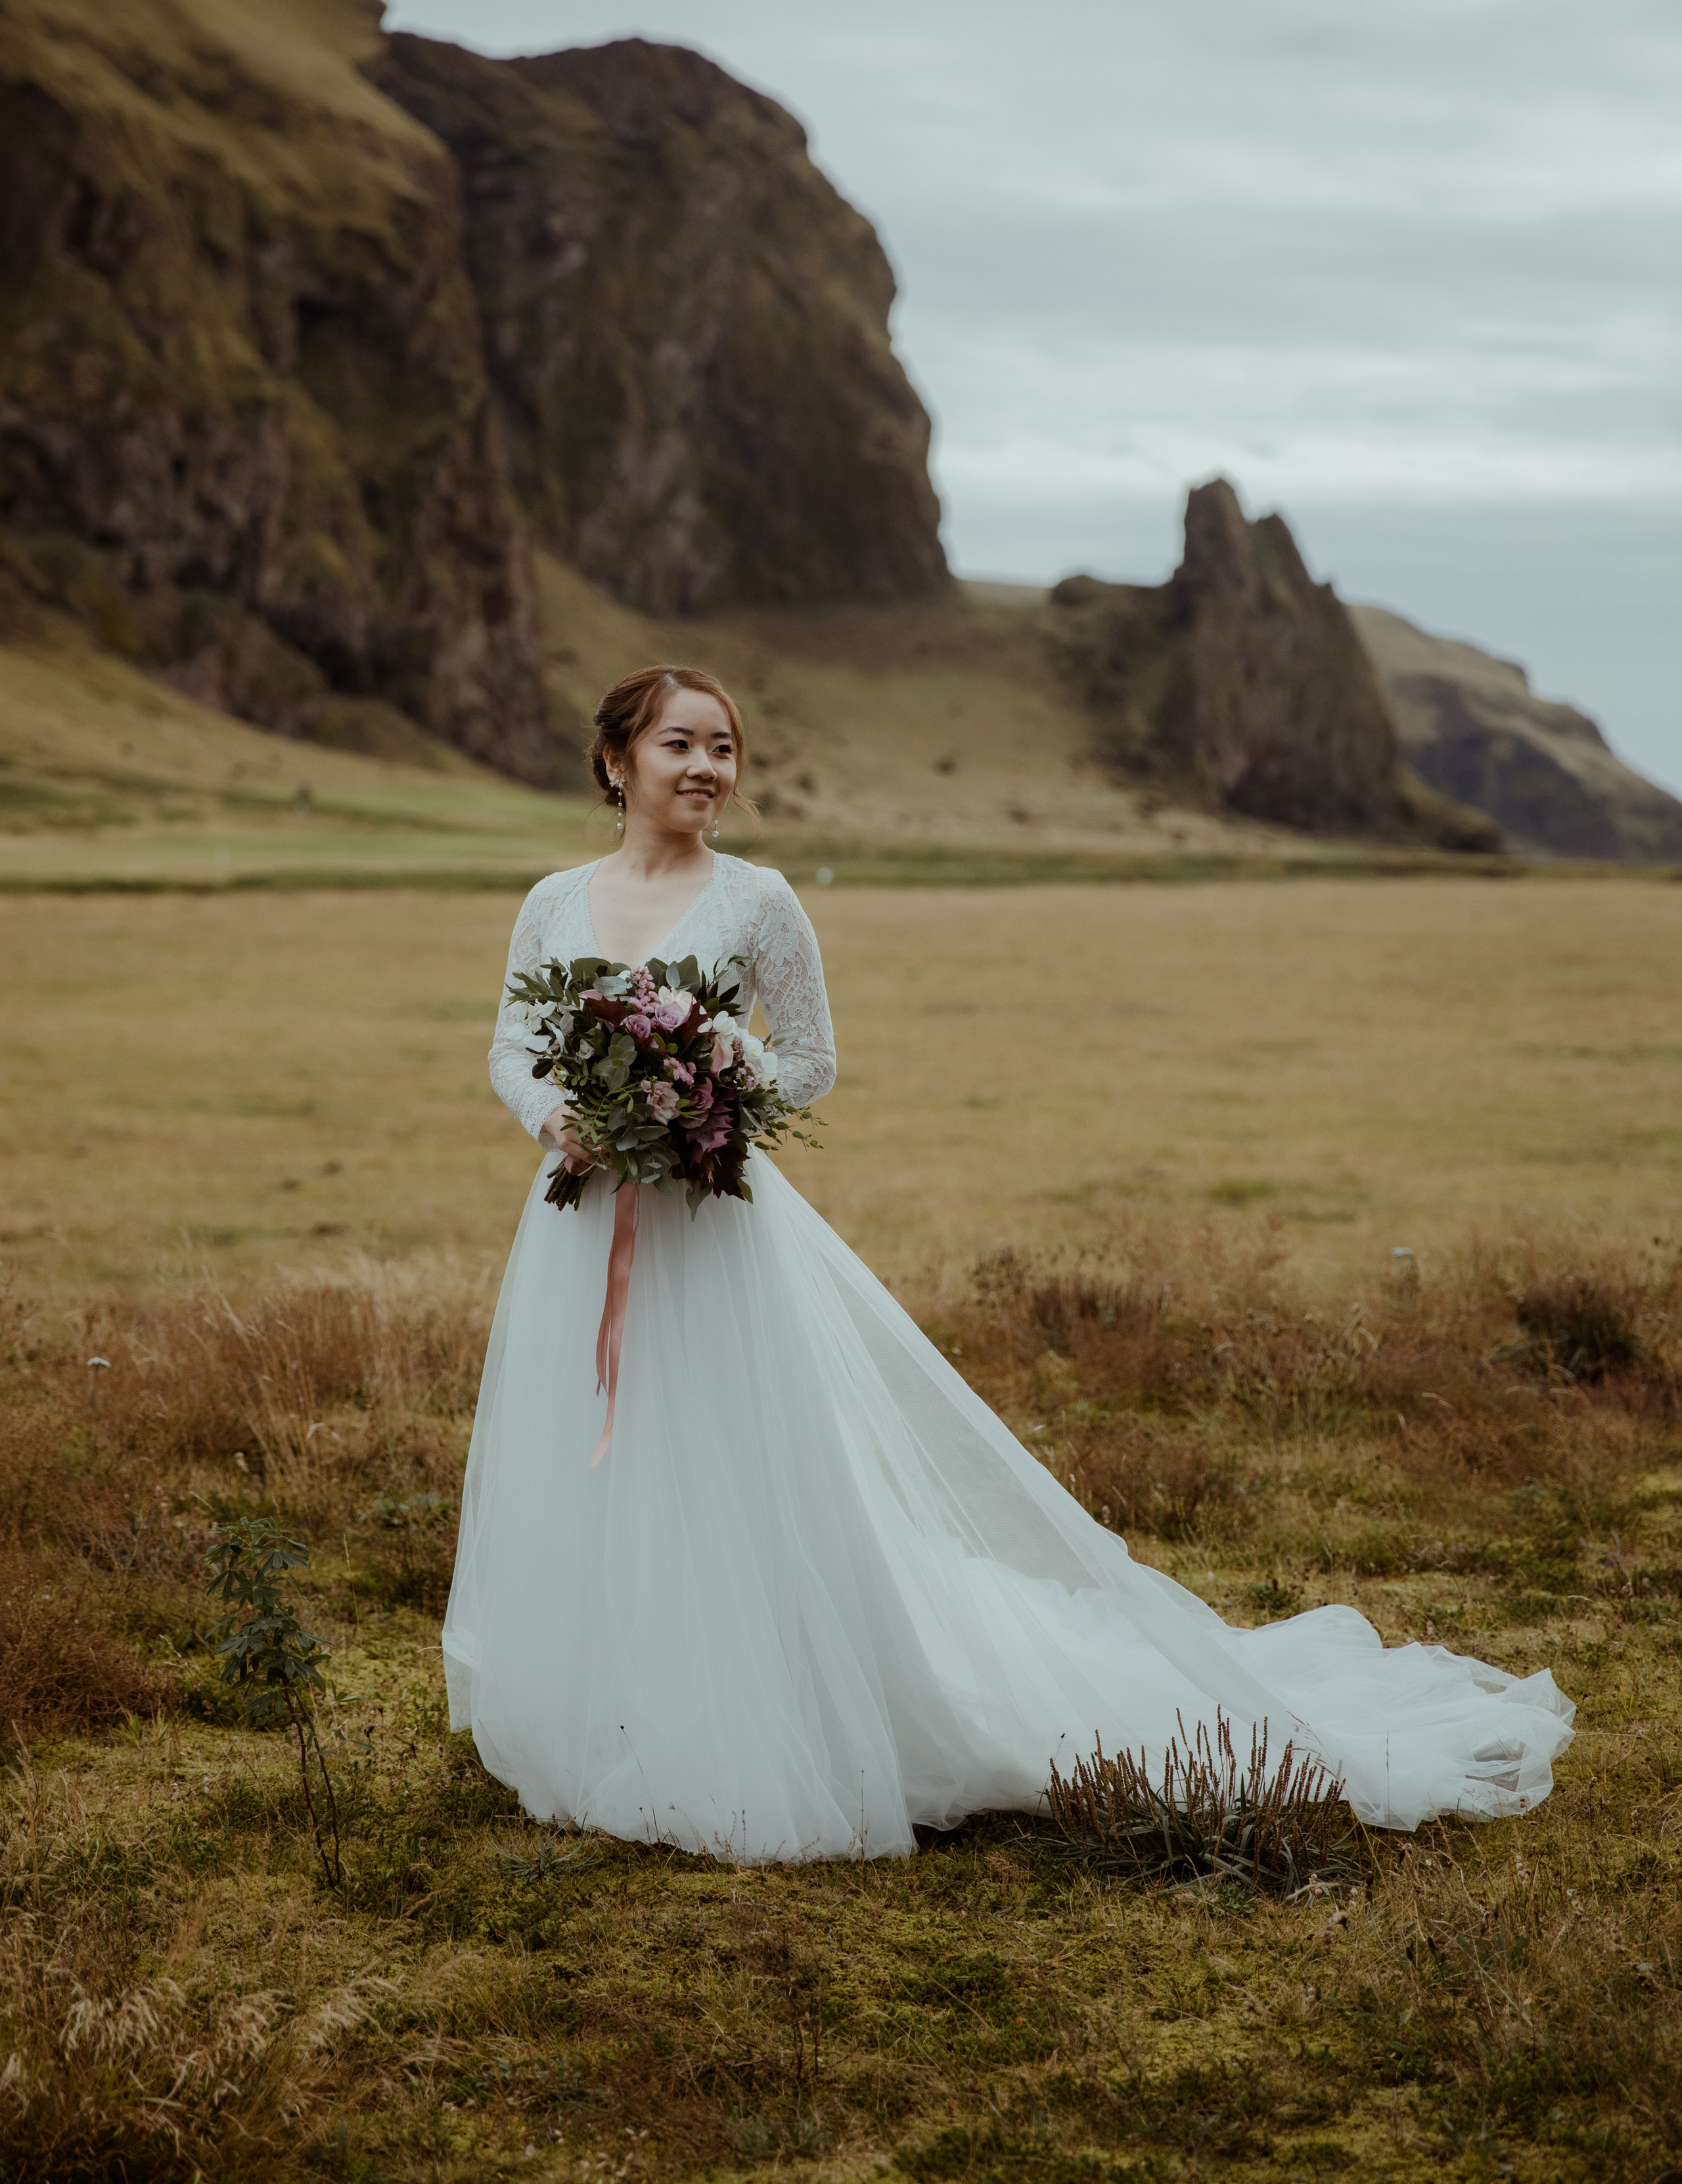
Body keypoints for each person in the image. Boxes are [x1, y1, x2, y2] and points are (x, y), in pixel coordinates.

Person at [443, 663, 1573, 1862]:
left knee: (730, 1460)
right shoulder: (556, 901)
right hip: (583, 1220)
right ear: (617, 762)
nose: (709, 769)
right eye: (681, 745)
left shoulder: (760, 898)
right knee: (598, 1456)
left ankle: (766, 1717)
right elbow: (514, 1048)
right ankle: (614, 1708)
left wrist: (720, 1082)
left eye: (725, 748)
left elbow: (813, 1059)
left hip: (713, 1225)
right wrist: (558, 1118)